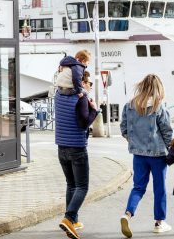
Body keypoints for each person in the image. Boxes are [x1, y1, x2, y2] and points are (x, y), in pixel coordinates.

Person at [120, 74, 173, 238]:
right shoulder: (159, 107)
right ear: (158, 88)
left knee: (138, 187)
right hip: (158, 155)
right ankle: (159, 222)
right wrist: (170, 150)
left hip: (138, 155)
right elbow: (167, 132)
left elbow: (123, 129)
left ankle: (127, 214)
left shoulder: (129, 105)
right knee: (159, 189)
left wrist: (134, 142)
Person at [56, 71, 98, 239]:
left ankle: (73, 221)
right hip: (77, 148)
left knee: (71, 184)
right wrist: (94, 110)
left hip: (61, 147)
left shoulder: (59, 95)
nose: (88, 86)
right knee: (82, 186)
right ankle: (68, 218)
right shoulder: (81, 99)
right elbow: (83, 123)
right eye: (87, 82)